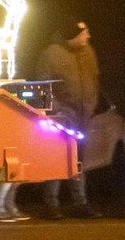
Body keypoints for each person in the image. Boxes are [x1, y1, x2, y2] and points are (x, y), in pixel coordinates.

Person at [33, 19, 104, 219]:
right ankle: (51, 203)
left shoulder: (88, 52)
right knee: (56, 157)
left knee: (78, 158)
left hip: (83, 115)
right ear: (73, 36)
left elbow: (94, 80)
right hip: (61, 117)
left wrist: (91, 104)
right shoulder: (51, 54)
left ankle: (80, 202)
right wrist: (58, 111)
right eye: (84, 34)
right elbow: (42, 87)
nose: (88, 37)